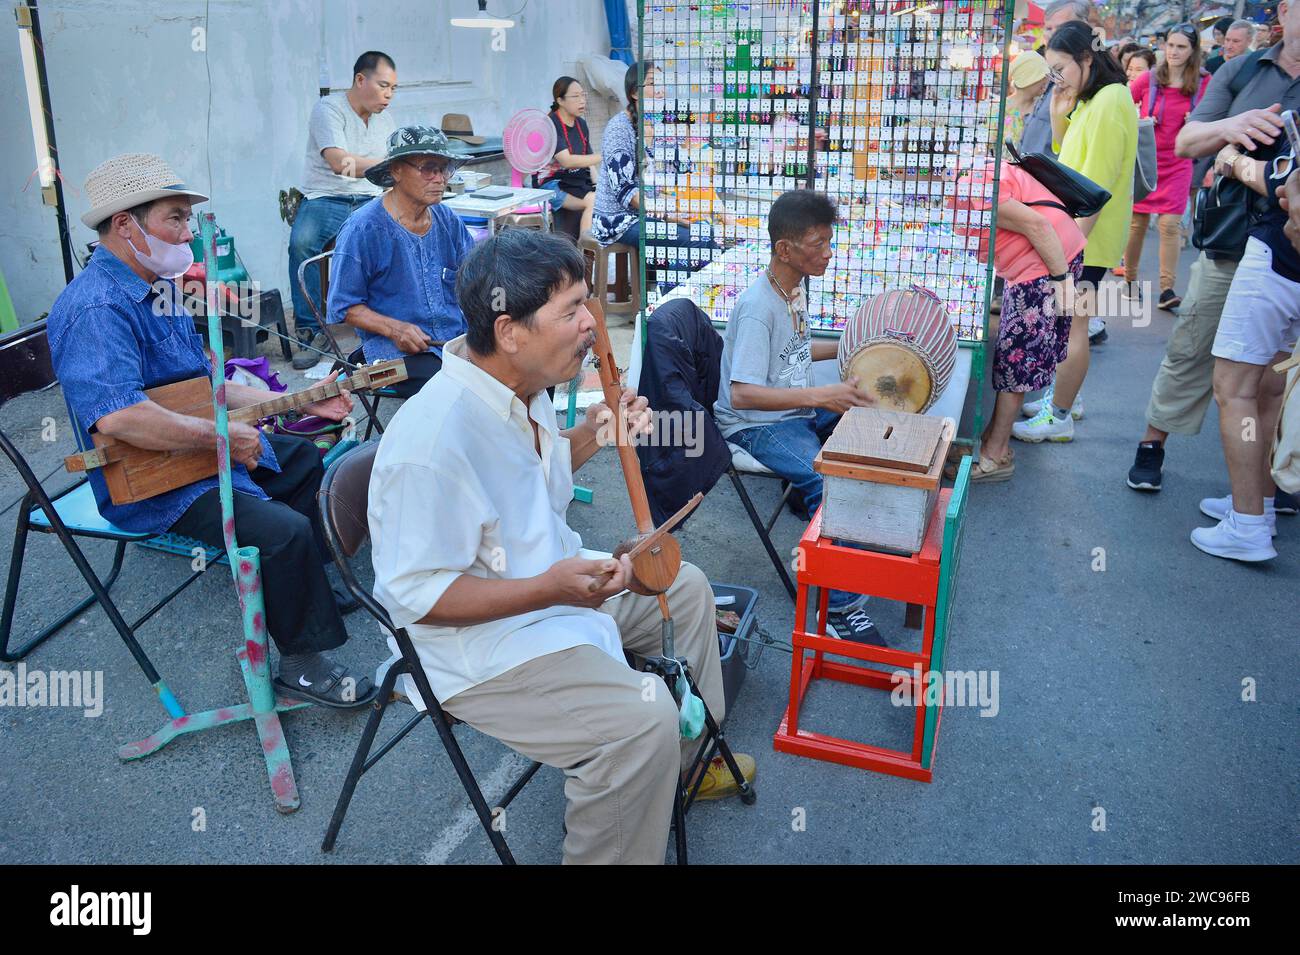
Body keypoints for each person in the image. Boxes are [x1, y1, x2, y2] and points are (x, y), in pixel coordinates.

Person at [367, 229, 755, 865]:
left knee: (684, 588)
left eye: (587, 304)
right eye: (572, 310)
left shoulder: (520, 385)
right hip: (477, 646)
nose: (591, 324)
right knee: (639, 717)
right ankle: (637, 787)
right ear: (510, 329)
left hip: (550, 589)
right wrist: (551, 589)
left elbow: (533, 471)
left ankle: (682, 766)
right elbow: (415, 595)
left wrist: (598, 430)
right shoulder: (433, 442)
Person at [48, 153, 374, 708]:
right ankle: (299, 661)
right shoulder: (96, 308)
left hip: (194, 444)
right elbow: (120, 417)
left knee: (302, 462)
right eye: (175, 218)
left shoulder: (160, 286)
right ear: (126, 224)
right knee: (281, 532)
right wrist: (222, 440)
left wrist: (296, 401)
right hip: (149, 478)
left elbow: (208, 387)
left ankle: (307, 585)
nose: (188, 233)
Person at [1126, 0, 1300, 493]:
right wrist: (1229, 129)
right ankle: (1153, 443)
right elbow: (1187, 140)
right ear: (1283, 13)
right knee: (1193, 347)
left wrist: (1245, 165)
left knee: (1273, 379)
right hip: (1232, 241)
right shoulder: (1242, 71)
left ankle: (1267, 485)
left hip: (1293, 256)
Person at [713, 191, 884, 643]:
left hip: (794, 412)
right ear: (784, 250)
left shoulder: (792, 288)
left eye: (830, 241)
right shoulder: (758, 308)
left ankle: (847, 546)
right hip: (756, 427)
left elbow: (795, 352)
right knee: (828, 479)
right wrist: (822, 395)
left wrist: (855, 344)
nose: (828, 253)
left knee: (868, 436)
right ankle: (838, 606)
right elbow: (743, 395)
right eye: (819, 243)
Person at [1015, 20, 1136, 443]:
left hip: (1087, 236)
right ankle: (1064, 398)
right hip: (1081, 233)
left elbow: (1095, 189)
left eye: (1061, 67)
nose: (1056, 78)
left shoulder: (1110, 101)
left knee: (1074, 325)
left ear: (1087, 59)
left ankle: (1060, 413)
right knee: (1071, 323)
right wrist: (1057, 115)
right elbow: (1069, 159)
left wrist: (1066, 254)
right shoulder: (1093, 98)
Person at [326, 127, 473, 399]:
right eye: (429, 168)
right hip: (394, 352)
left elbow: (475, 276)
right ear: (396, 171)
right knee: (456, 390)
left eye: (444, 169)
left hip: (452, 341)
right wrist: (395, 328)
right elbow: (342, 306)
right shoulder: (364, 229)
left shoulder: (446, 219)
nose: (439, 178)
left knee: (525, 364)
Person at [962, 159, 1086, 481]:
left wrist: (1061, 281)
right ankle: (991, 441)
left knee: (1016, 362)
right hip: (1044, 264)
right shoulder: (973, 174)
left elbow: (1038, 226)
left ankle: (995, 456)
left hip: (1044, 267)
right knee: (1013, 359)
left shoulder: (975, 186)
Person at [287, 51, 398, 370]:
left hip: (368, 197)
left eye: (393, 88)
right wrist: (390, 166)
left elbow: (387, 169)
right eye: (383, 85)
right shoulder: (328, 109)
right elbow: (340, 163)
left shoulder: (385, 119)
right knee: (301, 245)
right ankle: (310, 329)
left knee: (396, 238)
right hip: (327, 196)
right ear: (360, 80)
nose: (388, 95)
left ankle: (386, 320)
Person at [592, 60, 715, 290]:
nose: (660, 89)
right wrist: (669, 215)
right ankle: (666, 298)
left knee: (707, 233)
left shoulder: (660, 124)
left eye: (662, 83)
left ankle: (673, 295)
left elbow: (680, 168)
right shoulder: (620, 129)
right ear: (634, 93)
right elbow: (627, 194)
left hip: (652, 214)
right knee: (696, 240)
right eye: (652, 83)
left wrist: (687, 137)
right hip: (618, 220)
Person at [1125, 23, 1211, 311]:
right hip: (1146, 160)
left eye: (1181, 47)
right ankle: (1130, 280)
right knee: (1136, 224)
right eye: (1170, 45)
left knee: (1170, 225)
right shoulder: (1150, 79)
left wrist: (1198, 122)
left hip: (1179, 161)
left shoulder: (1203, 82)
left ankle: (1166, 289)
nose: (1173, 52)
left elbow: (1215, 116)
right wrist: (1138, 120)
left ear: (1192, 51)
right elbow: (1123, 104)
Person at [1019, 0, 1093, 157]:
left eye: (1061, 28)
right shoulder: (1054, 70)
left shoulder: (1088, 79)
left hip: (1054, 175)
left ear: (1083, 28)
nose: (1053, 35)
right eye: (1048, 28)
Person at [541, 76, 600, 236]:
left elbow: (589, 161)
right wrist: (606, 155)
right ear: (560, 100)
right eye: (575, 96)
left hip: (575, 182)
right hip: (552, 185)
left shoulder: (581, 124)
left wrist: (600, 185)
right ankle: (586, 254)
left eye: (583, 95)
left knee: (602, 197)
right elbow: (567, 161)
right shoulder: (550, 124)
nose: (582, 101)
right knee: (593, 201)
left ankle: (589, 252)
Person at [1005, 51, 1050, 152]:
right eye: (1041, 76)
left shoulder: (1042, 109)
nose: (1046, 80)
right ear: (1027, 77)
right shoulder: (999, 109)